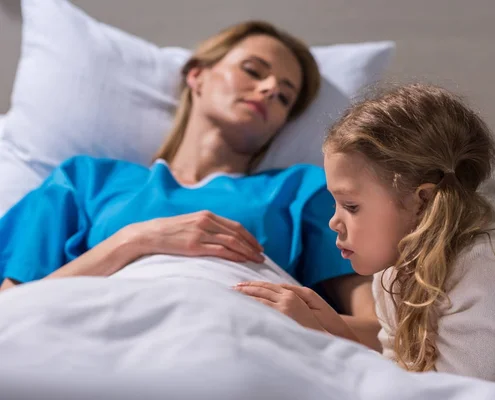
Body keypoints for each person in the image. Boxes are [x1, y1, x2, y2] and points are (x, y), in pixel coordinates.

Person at [0, 21, 381, 350]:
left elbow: (382, 332)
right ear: (196, 75)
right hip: (87, 334)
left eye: (284, 96)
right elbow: (12, 308)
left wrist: (305, 318)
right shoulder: (84, 180)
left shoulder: (304, 190)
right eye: (253, 70)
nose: (268, 90)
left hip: (245, 341)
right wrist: (134, 241)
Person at [234, 83, 495, 398]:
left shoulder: (490, 261)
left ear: (421, 200)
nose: (334, 221)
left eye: (351, 205)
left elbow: (453, 392)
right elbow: (404, 378)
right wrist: (332, 326)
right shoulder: (392, 275)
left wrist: (325, 339)